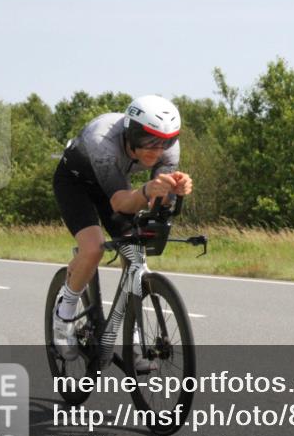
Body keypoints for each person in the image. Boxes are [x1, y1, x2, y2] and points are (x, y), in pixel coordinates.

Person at [51, 95, 193, 359]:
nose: (157, 149)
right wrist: (148, 189)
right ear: (131, 132)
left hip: (114, 184)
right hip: (75, 184)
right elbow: (120, 203)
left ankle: (133, 329)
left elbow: (158, 202)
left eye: (166, 141)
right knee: (93, 249)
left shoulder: (168, 149)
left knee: (134, 249)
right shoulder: (102, 140)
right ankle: (64, 313)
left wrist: (174, 190)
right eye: (148, 140)